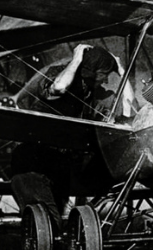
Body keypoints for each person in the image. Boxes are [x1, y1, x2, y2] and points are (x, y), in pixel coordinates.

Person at [8, 44, 133, 224]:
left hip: (59, 165)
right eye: (105, 74)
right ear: (92, 71)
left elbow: (127, 112)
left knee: (56, 224)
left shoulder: (95, 95)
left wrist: (122, 72)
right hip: (32, 164)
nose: (106, 81)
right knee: (47, 224)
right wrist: (76, 60)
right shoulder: (58, 75)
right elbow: (58, 89)